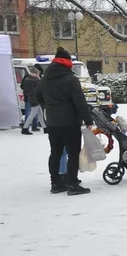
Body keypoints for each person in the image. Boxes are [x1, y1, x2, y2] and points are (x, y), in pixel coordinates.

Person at [35, 47, 93, 195]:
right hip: (70, 123)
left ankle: (55, 183)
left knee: (55, 153)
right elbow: (79, 101)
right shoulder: (71, 79)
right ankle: (72, 184)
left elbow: (37, 96)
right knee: (73, 153)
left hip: (53, 123)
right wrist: (88, 120)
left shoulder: (44, 79)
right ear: (67, 63)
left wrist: (48, 107)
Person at [20, 64, 42, 135]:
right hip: (34, 99)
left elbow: (23, 87)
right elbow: (38, 89)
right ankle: (26, 128)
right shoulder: (35, 79)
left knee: (37, 113)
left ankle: (43, 127)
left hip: (29, 98)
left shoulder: (27, 77)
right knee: (31, 114)